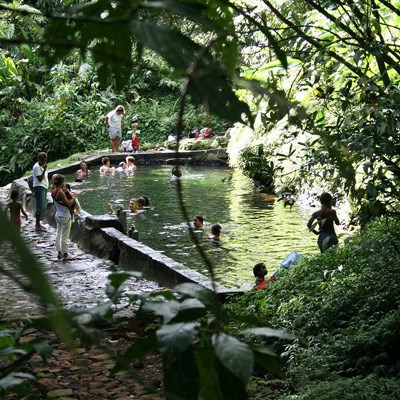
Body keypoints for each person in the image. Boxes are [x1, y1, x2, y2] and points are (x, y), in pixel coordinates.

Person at [51, 174, 76, 261]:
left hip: (58, 215)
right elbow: (69, 204)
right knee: (65, 236)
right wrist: (74, 197)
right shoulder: (60, 192)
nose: (64, 183)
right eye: (64, 181)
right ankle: (65, 254)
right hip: (65, 216)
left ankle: (59, 252)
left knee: (58, 234)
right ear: (61, 182)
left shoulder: (53, 191)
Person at [32, 151, 48, 232]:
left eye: (44, 160)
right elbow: (40, 179)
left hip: (43, 187)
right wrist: (44, 170)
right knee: (39, 206)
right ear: (39, 159)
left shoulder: (41, 166)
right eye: (42, 160)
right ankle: (37, 225)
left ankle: (38, 224)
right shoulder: (36, 167)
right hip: (39, 187)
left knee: (42, 206)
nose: (44, 161)